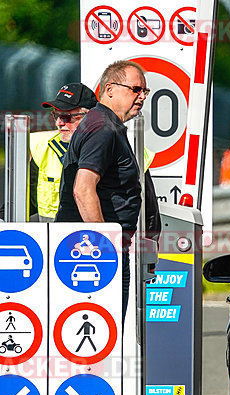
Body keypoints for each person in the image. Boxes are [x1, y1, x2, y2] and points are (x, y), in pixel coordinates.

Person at [56, 60, 152, 315]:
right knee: (103, 334)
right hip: (94, 252)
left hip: (91, 248)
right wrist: (104, 247)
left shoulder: (104, 124)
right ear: (110, 89)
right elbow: (83, 189)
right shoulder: (103, 129)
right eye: (135, 89)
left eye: (145, 91)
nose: (141, 96)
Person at [31, 83, 98, 222]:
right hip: (51, 241)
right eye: (56, 115)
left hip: (100, 240)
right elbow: (25, 200)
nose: (59, 123)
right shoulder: (42, 147)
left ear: (90, 117)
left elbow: (148, 215)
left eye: (66, 117)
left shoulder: (121, 148)